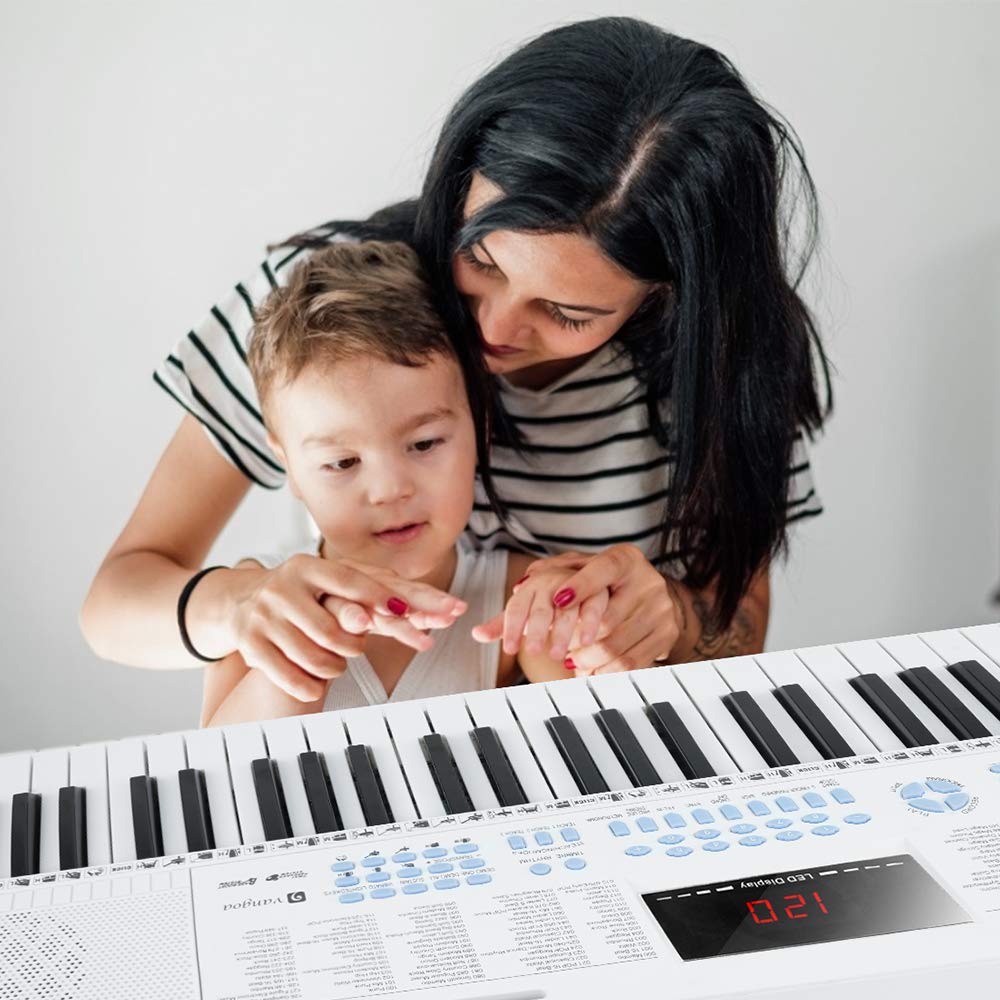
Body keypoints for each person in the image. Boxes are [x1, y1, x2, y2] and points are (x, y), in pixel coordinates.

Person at [80, 17, 830, 700]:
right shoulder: (318, 312)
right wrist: (238, 605)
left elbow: (741, 635)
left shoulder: (728, 361)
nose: (493, 328)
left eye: (567, 313)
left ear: (670, 296)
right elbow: (115, 601)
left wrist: (671, 616)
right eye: (482, 259)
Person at [202, 241, 607, 726]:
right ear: (289, 468)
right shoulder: (260, 599)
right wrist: (307, 644)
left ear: (479, 430)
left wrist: (583, 628)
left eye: (424, 444)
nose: (390, 490)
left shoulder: (515, 593)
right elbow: (222, 760)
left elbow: (599, 731)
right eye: (343, 462)